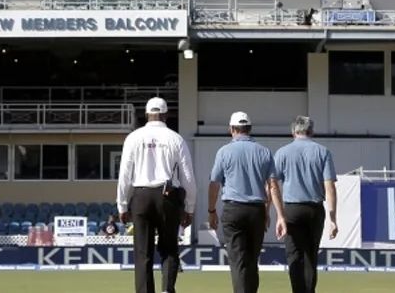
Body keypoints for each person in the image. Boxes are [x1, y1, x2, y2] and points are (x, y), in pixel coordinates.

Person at [116, 97, 195, 293]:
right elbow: (188, 178)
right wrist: (190, 208)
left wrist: (122, 205)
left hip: (141, 197)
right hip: (168, 197)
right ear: (166, 115)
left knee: (143, 252)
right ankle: (167, 290)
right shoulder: (176, 138)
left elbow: (124, 175)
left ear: (146, 115)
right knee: (169, 249)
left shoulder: (133, 137)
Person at [208, 112, 287, 293]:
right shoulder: (264, 152)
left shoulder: (224, 152)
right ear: (249, 129)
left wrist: (211, 210)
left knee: (238, 261)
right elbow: (273, 186)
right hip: (256, 211)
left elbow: (214, 184)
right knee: (252, 260)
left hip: (233, 209)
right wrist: (279, 215)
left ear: (231, 129)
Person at [274, 116, 338, 293]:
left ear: (293, 131)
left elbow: (272, 184)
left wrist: (276, 212)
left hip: (292, 209)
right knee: (311, 255)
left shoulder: (282, 152)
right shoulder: (322, 152)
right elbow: (330, 186)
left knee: (294, 255)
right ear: (312, 131)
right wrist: (333, 219)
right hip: (314, 209)